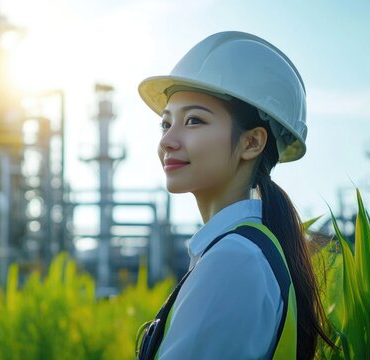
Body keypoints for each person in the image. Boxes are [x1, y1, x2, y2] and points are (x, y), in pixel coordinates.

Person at [134, 31, 333, 359]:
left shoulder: (235, 260)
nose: (168, 140)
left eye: (194, 121)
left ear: (252, 143)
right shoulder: (240, 251)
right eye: (166, 124)